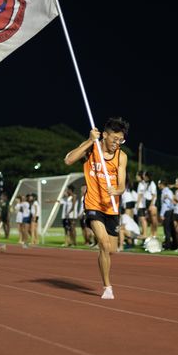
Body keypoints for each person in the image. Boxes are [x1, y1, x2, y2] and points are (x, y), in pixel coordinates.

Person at [64, 117, 128, 300]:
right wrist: (89, 140)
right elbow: (68, 160)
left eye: (121, 140)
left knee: (111, 249)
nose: (117, 143)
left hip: (111, 207)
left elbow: (122, 185)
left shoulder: (121, 156)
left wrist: (116, 189)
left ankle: (103, 259)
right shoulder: (93, 148)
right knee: (103, 243)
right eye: (114, 139)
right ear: (105, 135)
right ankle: (107, 286)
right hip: (93, 204)